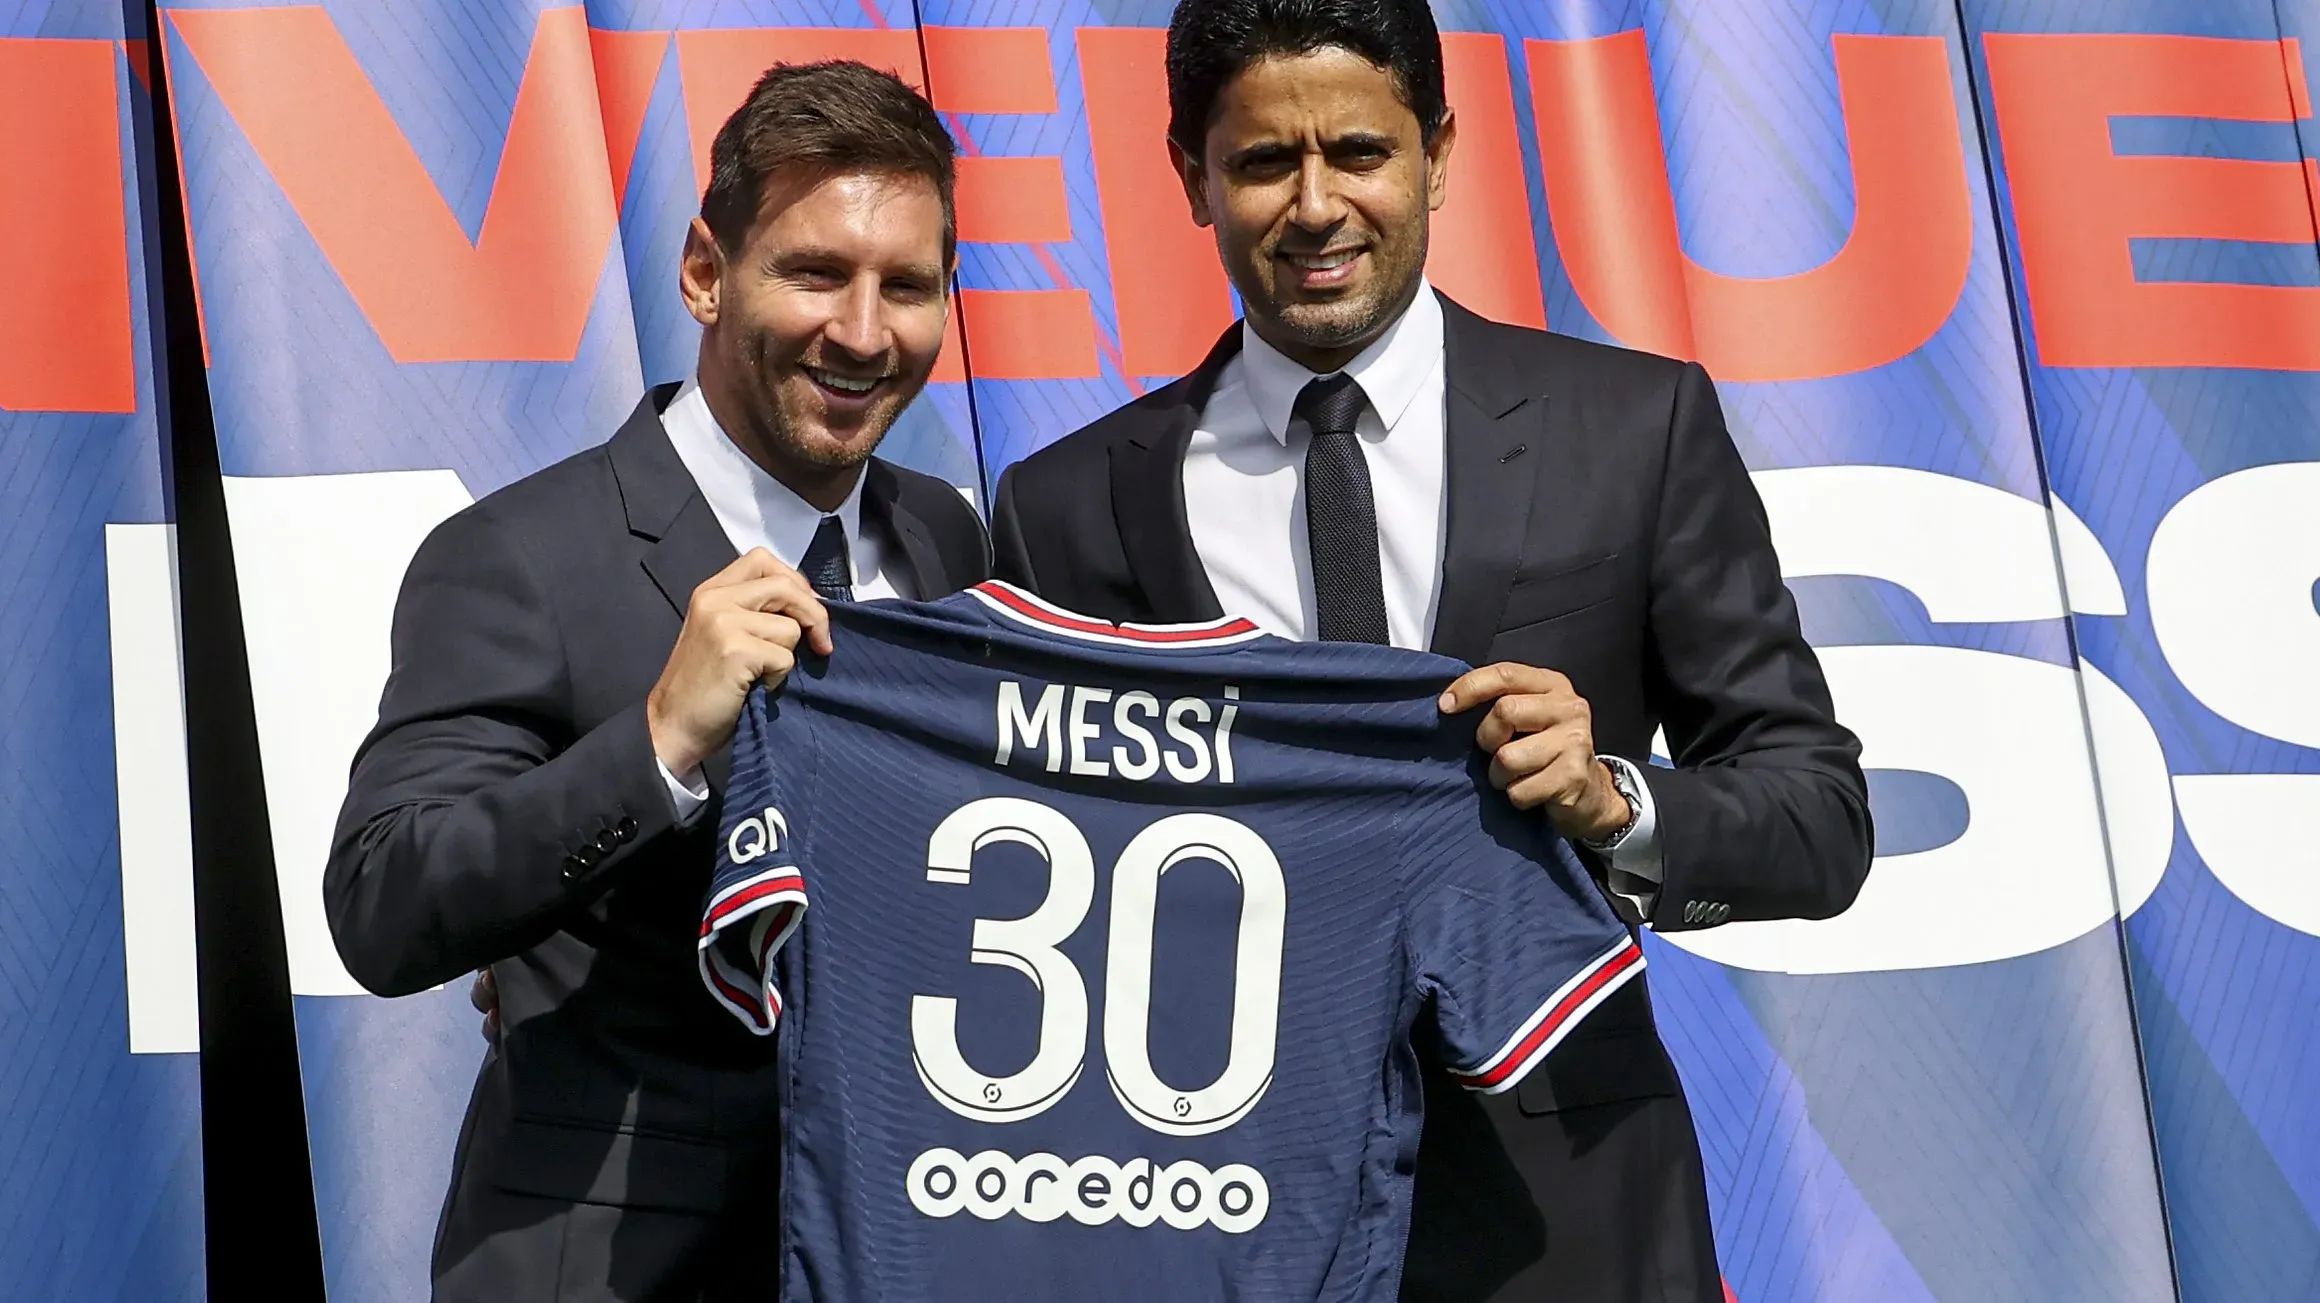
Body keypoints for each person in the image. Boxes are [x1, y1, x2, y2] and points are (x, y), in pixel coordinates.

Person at [988, 2, 1874, 1299]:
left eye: (1358, 151)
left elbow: (1819, 821)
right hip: (1214, 1216)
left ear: (1438, 153)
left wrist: (1612, 800)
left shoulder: (1634, 429)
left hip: (1571, 1216)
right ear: (1190, 175)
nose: (1316, 206)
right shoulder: (1062, 506)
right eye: (1262, 162)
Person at [324, 61, 988, 1302]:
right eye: (814, 273)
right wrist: (658, 743)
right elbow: (384, 903)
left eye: (905, 285)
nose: (862, 331)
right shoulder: (518, 554)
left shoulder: (952, 541)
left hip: (894, 1248)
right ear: (702, 272)